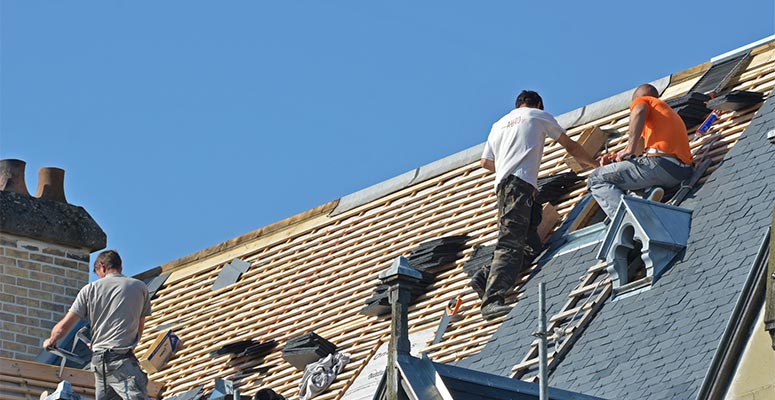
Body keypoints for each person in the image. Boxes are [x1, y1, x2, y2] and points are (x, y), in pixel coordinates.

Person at [478, 90, 597, 320]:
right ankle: (492, 300)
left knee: (531, 242)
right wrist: (594, 163)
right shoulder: (538, 116)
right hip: (518, 185)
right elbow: (570, 146)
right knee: (511, 241)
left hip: (508, 186)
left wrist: (505, 165)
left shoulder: (498, 124)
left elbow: (485, 162)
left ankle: (485, 276)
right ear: (538, 104)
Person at [44, 250, 151, 400]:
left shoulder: (90, 290)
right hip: (121, 361)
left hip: (100, 364)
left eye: (97, 273)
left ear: (102, 267)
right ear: (120, 267)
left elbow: (62, 327)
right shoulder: (140, 288)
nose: (99, 277)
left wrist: (51, 340)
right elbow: (139, 329)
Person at [587, 83, 693, 218]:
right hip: (680, 172)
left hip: (660, 165)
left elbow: (639, 111)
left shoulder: (643, 101)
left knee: (595, 178)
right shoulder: (667, 115)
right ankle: (647, 193)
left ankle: (626, 219)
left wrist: (629, 149)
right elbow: (636, 155)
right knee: (630, 176)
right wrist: (617, 159)